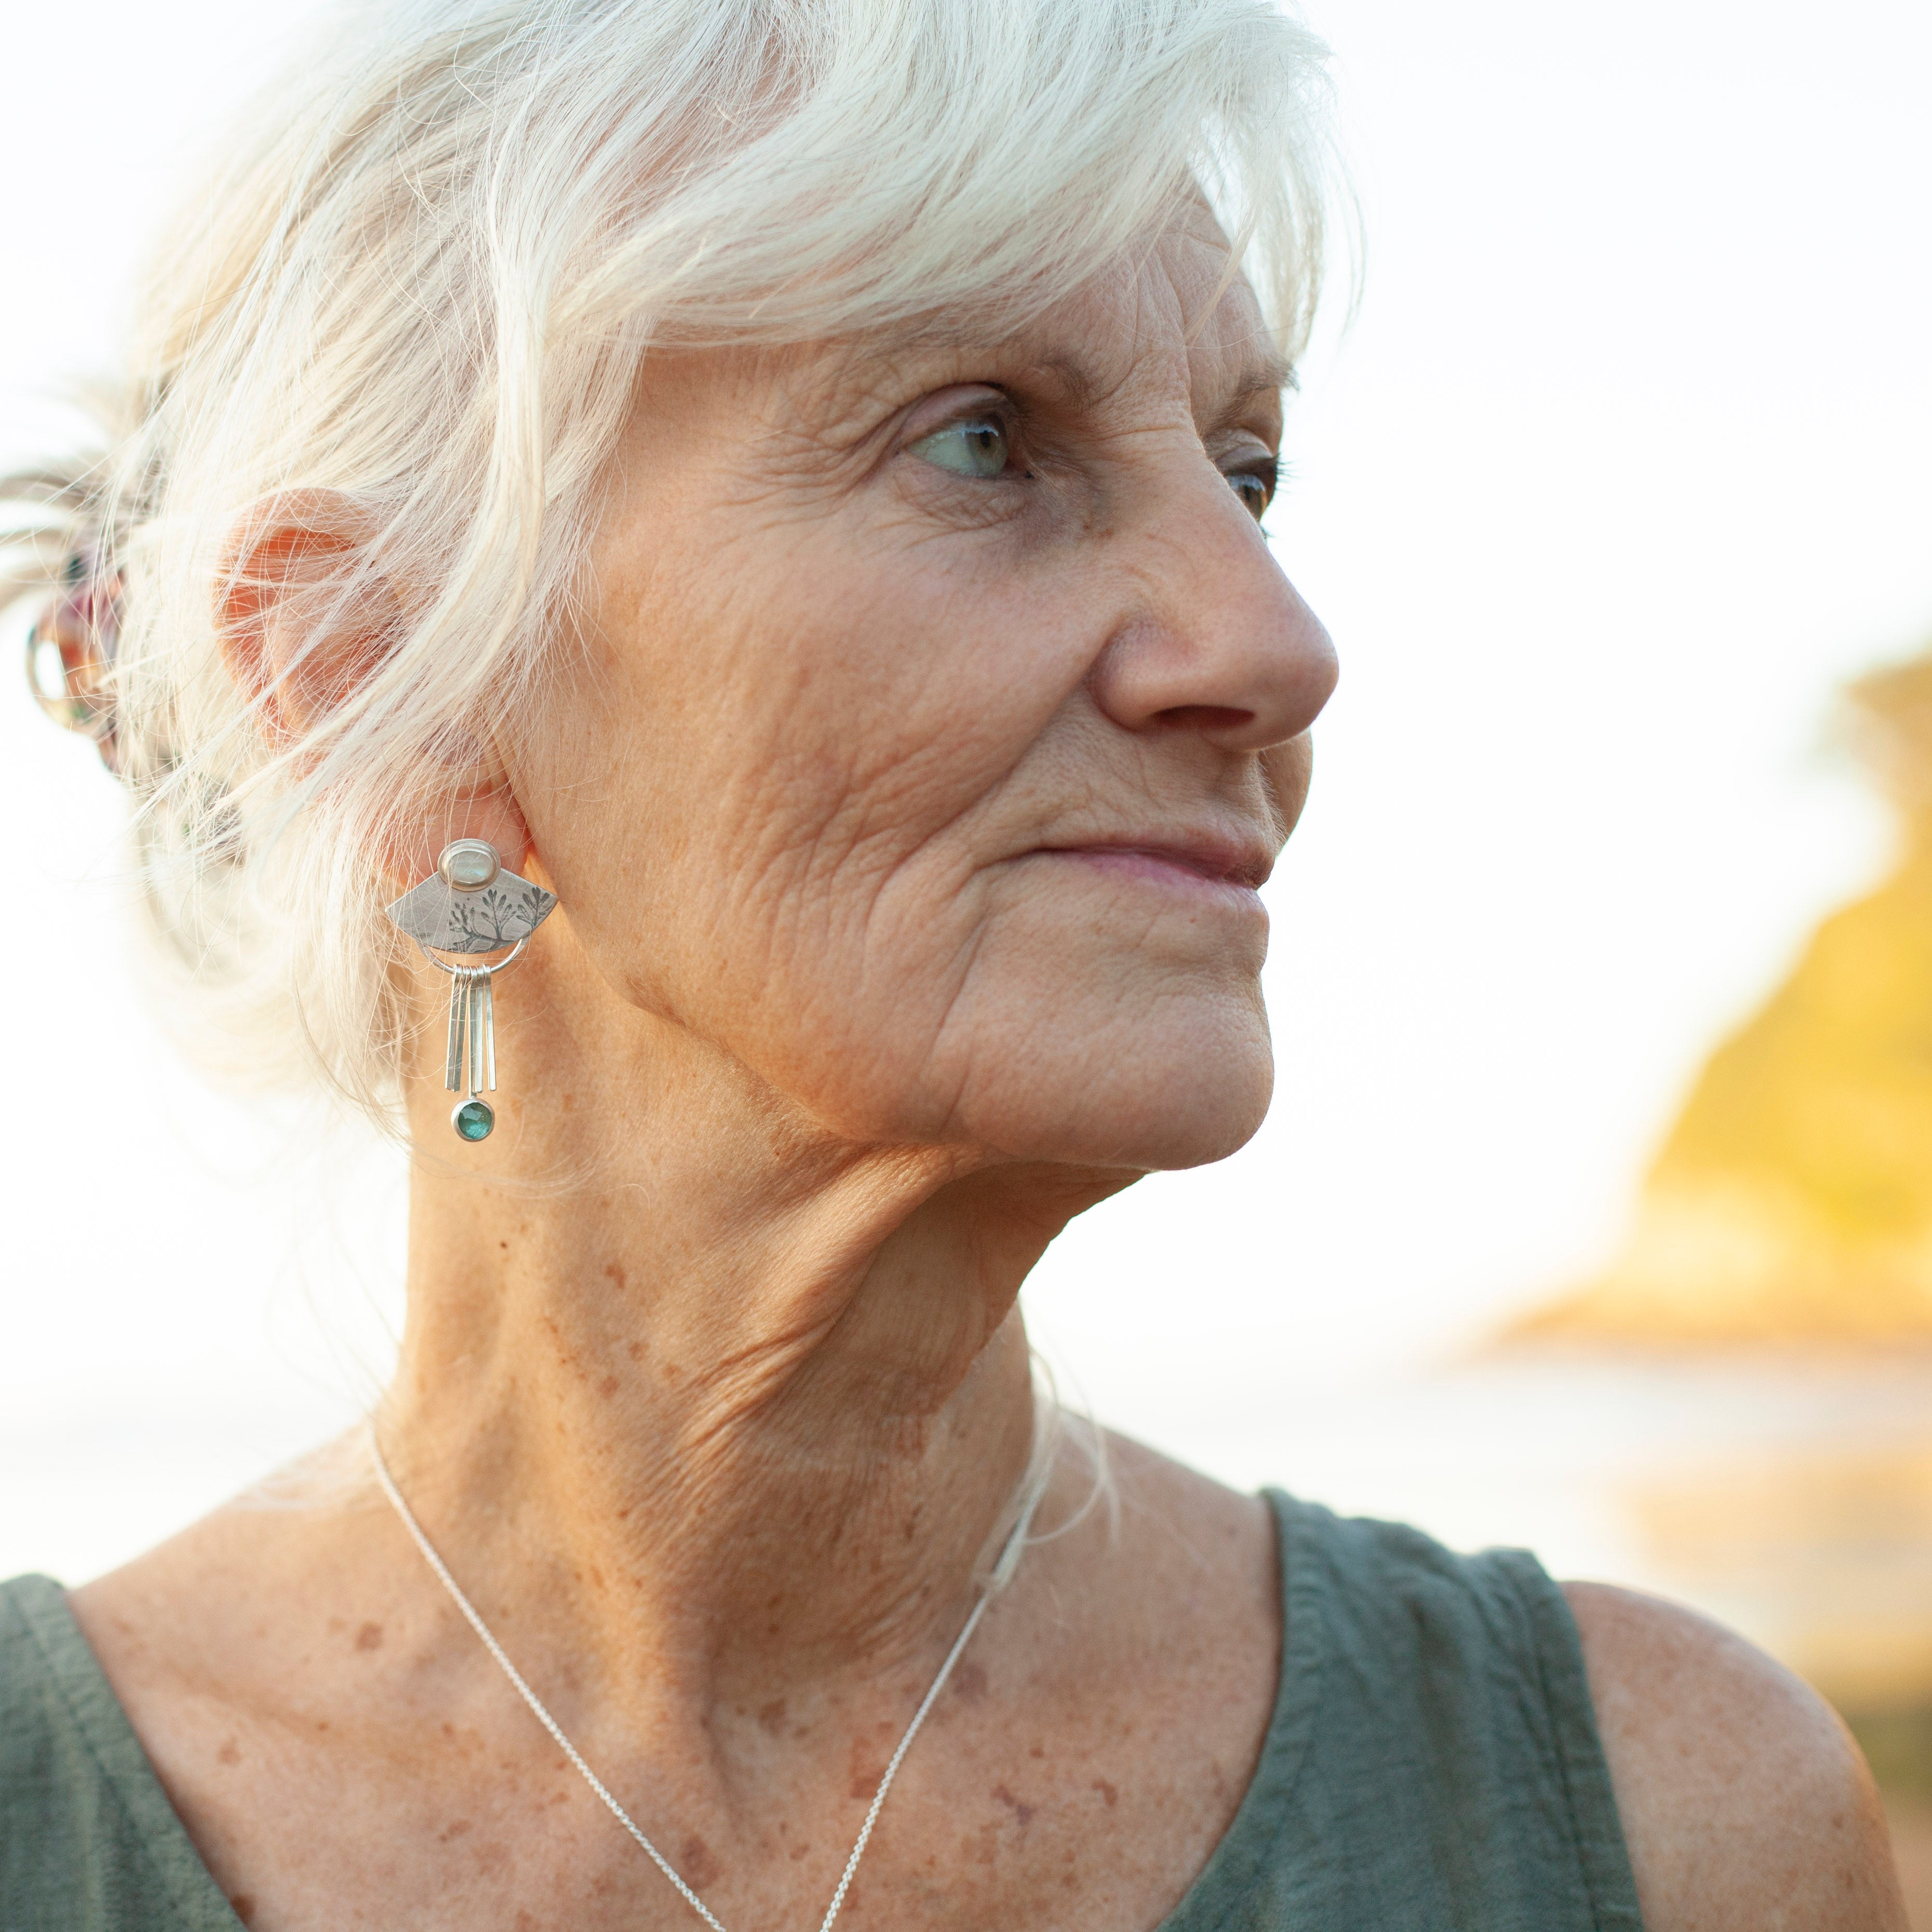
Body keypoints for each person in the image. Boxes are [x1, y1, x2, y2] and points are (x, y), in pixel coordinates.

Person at [1, 1, 1907, 1926]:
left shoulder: (1661, 1830)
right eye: (985, 442)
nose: (1273, 643)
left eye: (1247, 472)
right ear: (367, 681)